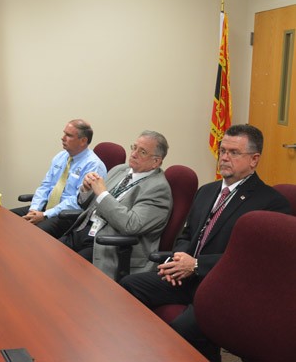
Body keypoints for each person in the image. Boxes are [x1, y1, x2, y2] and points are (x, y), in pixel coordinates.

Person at [120, 124, 291, 362]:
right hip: (187, 276)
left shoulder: (271, 204)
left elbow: (253, 263)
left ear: (254, 159)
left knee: (181, 331)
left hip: (224, 287)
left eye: (234, 153)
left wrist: (197, 265)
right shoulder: (206, 191)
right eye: (223, 151)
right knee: (128, 286)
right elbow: (187, 235)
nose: (224, 158)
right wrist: (178, 259)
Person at [58, 130, 172, 280]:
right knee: (46, 257)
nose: (134, 154)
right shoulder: (120, 170)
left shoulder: (158, 189)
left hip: (106, 245)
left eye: (142, 152)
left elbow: (131, 225)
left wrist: (102, 194)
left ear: (156, 162)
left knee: (62, 273)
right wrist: (86, 190)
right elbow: (89, 203)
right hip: (83, 230)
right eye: (134, 147)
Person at [10, 119, 107, 238]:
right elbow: (45, 185)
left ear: (83, 141)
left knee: (30, 235)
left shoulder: (93, 165)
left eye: (69, 135)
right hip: (46, 207)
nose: (63, 138)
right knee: (6, 219)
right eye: (64, 133)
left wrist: (45, 215)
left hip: (67, 215)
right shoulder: (61, 156)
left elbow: (78, 202)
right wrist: (34, 209)